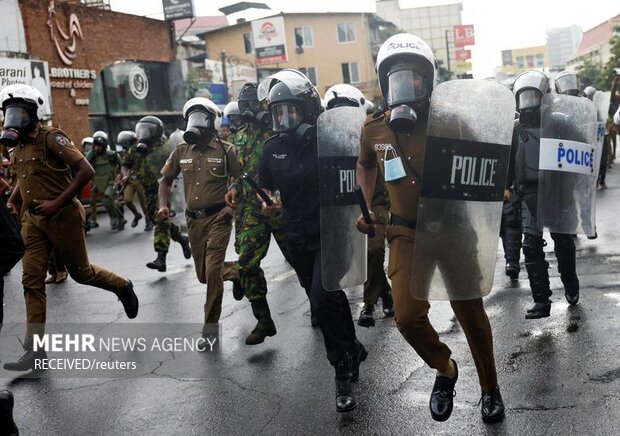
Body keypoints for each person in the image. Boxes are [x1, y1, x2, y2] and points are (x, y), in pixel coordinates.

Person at [355, 34, 505, 423]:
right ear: (384, 82)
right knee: (405, 316)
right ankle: (445, 367)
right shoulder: (373, 129)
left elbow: (482, 161)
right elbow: (366, 164)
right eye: (395, 77)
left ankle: (490, 388)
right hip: (405, 233)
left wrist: (495, 191)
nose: (405, 84)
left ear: (427, 79)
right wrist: (368, 205)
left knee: (471, 313)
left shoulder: (450, 120)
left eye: (413, 76)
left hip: (453, 230)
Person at [0, 84, 138, 371]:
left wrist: (56, 202)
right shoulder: (18, 146)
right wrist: (13, 200)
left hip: (63, 216)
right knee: (31, 281)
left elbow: (85, 170)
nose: (12, 118)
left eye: (19, 113)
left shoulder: (53, 138)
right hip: (33, 220)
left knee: (81, 273)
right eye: (8, 112)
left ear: (33, 114)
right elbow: (25, 178)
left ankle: (122, 286)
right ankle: (34, 350)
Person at [257, 70, 367, 413]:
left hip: (332, 234)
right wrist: (267, 202)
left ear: (307, 109)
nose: (285, 119)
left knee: (321, 300)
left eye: (291, 111)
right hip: (297, 237)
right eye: (278, 113)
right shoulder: (272, 148)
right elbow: (265, 187)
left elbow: (358, 173)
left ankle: (342, 372)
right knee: (328, 300)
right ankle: (353, 348)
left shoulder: (330, 139)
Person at [225, 83, 306, 345]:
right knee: (246, 263)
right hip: (251, 208)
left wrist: (281, 199)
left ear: (263, 104)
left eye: (252, 103)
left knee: (300, 260)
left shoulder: (280, 129)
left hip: (281, 208)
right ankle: (263, 320)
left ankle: (319, 304)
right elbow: (239, 172)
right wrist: (234, 188)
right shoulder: (239, 136)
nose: (247, 109)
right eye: (243, 104)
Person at [159, 97, 241, 335]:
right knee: (204, 275)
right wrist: (162, 205)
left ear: (212, 121)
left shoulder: (227, 150)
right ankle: (237, 272)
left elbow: (240, 181)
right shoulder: (180, 151)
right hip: (193, 220)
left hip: (219, 218)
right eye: (193, 117)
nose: (196, 123)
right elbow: (165, 181)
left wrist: (232, 207)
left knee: (213, 270)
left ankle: (210, 327)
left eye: (201, 117)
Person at [323, 83, 393, 327]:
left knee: (373, 251)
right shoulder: (328, 140)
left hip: (376, 203)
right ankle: (386, 293)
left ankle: (369, 305)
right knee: (356, 257)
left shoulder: (375, 132)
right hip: (343, 206)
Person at [511, 70, 580, 318]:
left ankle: (570, 283)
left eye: (533, 97)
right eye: (525, 97)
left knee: (563, 242)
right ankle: (541, 301)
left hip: (558, 193)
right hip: (529, 195)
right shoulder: (516, 129)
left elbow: (582, 152)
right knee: (530, 246)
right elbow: (507, 162)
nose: (529, 104)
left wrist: (575, 181)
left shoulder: (560, 123)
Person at [122, 116, 191, 271]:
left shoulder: (166, 148)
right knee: (159, 222)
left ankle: (161, 258)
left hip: (166, 190)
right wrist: (126, 174)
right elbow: (125, 164)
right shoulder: (136, 149)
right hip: (147, 190)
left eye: (147, 130)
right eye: (142, 130)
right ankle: (182, 239)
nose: (144, 133)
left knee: (161, 220)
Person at [85, 131, 126, 230]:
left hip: (111, 182)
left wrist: (120, 176)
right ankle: (119, 218)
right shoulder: (93, 156)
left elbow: (123, 166)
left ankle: (115, 218)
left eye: (99, 146)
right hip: (98, 183)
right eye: (95, 146)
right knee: (103, 201)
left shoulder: (112, 155)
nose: (97, 148)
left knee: (107, 199)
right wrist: (92, 151)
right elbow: (85, 162)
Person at [117, 130, 149, 228]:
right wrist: (125, 175)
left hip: (141, 179)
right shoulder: (125, 153)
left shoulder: (140, 148)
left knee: (144, 202)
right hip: (130, 180)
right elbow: (124, 165)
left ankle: (149, 221)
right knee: (127, 200)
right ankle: (137, 215)